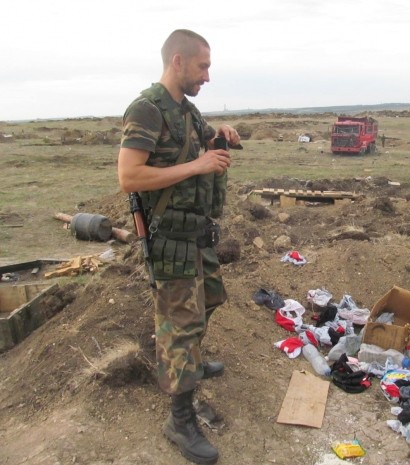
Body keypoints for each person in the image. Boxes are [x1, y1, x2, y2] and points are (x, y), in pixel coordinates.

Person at [117, 29, 240, 465]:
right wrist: (198, 165)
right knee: (180, 326)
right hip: (169, 240)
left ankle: (190, 361)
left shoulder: (186, 110)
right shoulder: (147, 110)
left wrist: (220, 134)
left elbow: (203, 142)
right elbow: (129, 177)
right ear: (178, 62)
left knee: (210, 299)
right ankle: (180, 418)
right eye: (202, 66)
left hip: (196, 234)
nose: (207, 75)